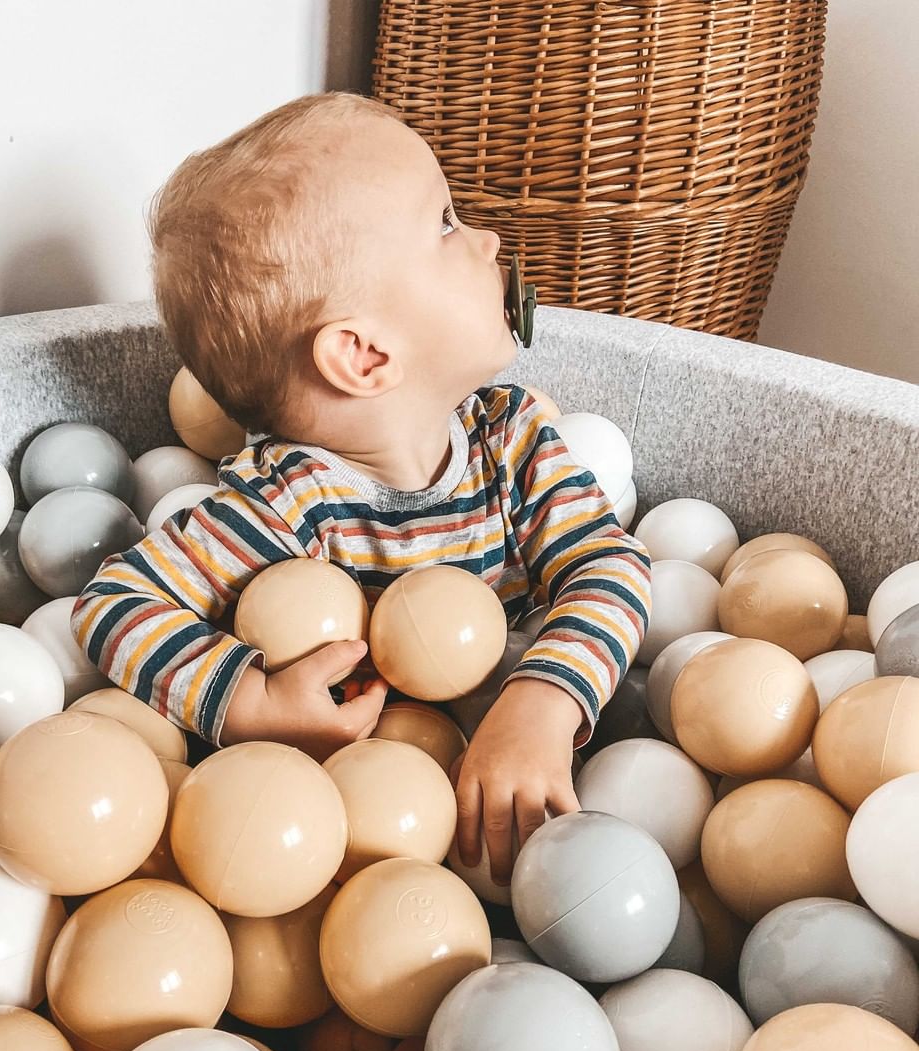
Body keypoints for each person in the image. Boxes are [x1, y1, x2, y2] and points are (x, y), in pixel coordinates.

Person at [71, 90, 651, 886]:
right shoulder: (286, 505)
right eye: (444, 223)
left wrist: (541, 705)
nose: (485, 239)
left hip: (547, 804)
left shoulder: (511, 441)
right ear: (365, 356)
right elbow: (114, 605)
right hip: (367, 847)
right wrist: (249, 703)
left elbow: (610, 565)